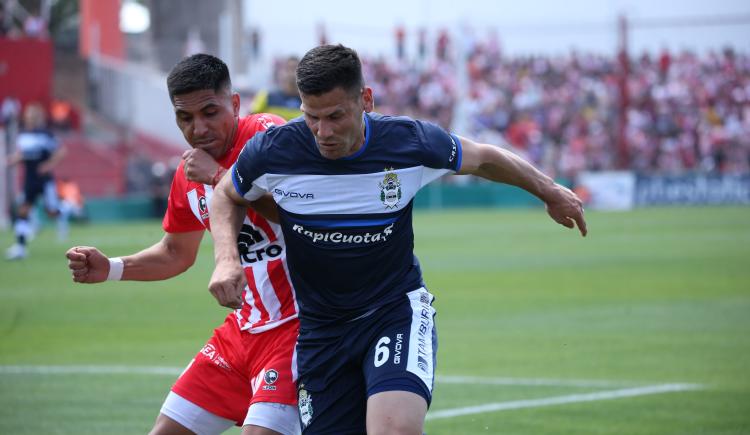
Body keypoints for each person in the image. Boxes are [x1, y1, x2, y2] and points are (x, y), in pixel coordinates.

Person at [208, 44, 587, 434]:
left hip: (393, 312)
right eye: (312, 117)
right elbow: (226, 193)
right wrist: (226, 258)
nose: (323, 131)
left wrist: (549, 190)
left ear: (366, 100)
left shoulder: (408, 142)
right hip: (321, 330)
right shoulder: (275, 151)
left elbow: (485, 157)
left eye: (336, 116)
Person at [65, 54, 300, 435]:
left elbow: (309, 216)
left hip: (297, 328)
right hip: (241, 333)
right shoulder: (188, 175)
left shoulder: (267, 135)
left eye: (210, 112)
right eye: (185, 118)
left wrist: (223, 178)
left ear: (235, 104)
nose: (198, 128)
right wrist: (112, 268)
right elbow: (176, 252)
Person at [6, 102, 66, 260]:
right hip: (30, 178)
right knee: (23, 211)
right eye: (28, 116)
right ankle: (20, 247)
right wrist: (13, 160)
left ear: (39, 118)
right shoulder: (23, 134)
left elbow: (61, 151)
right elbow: (24, 154)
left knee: (51, 211)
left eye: (34, 116)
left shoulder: (45, 134)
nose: (30, 118)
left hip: (44, 179)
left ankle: (63, 215)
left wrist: (48, 165)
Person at [250, 56, 303, 121]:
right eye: (288, 69)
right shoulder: (266, 96)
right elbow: (251, 120)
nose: (292, 73)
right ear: (282, 72)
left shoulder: (309, 99)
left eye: (295, 69)